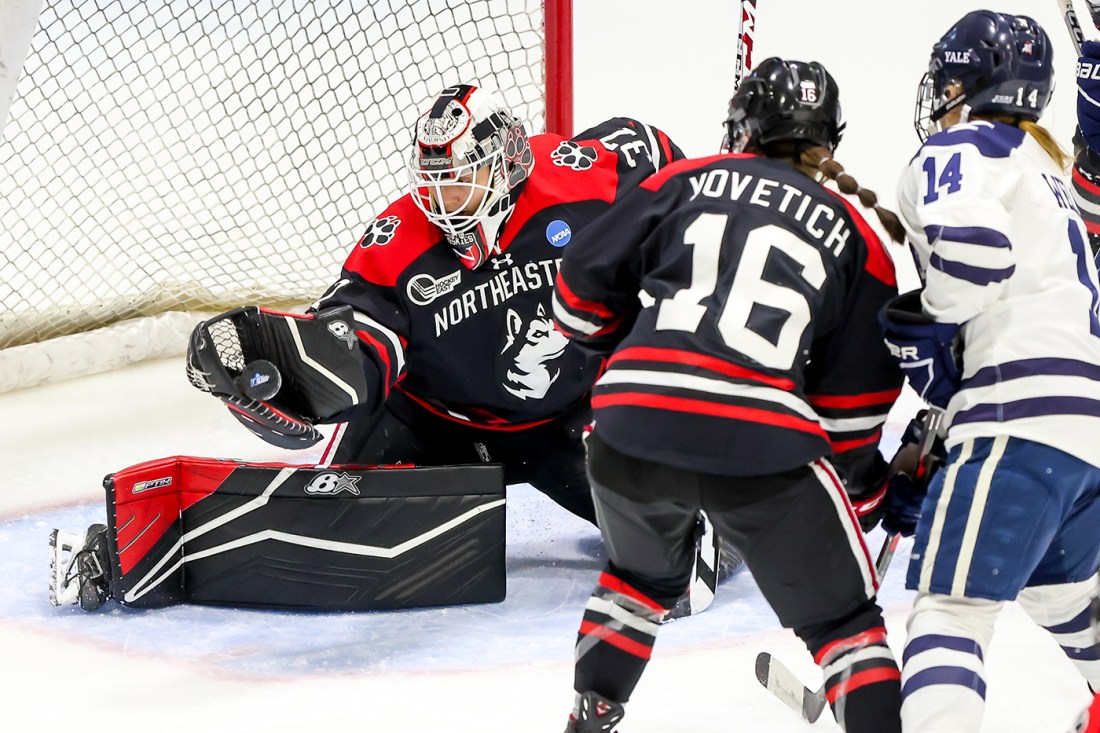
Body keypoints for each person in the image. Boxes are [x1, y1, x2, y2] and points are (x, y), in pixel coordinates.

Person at [553, 57, 907, 733]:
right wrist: (866, 494)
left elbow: (574, 300)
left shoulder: (680, 181)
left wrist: (642, 352)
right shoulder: (861, 237)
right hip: (761, 452)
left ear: (741, 127)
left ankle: (588, 717)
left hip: (628, 433)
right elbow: (851, 414)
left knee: (636, 583)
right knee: (844, 624)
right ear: (830, 138)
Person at [880, 11, 1100, 732]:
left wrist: (931, 321)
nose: (939, 95)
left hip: (1019, 418)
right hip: (1085, 429)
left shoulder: (959, 149)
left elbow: (973, 258)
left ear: (971, 82)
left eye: (948, 79)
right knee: (1065, 598)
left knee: (950, 611)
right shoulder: (1048, 173)